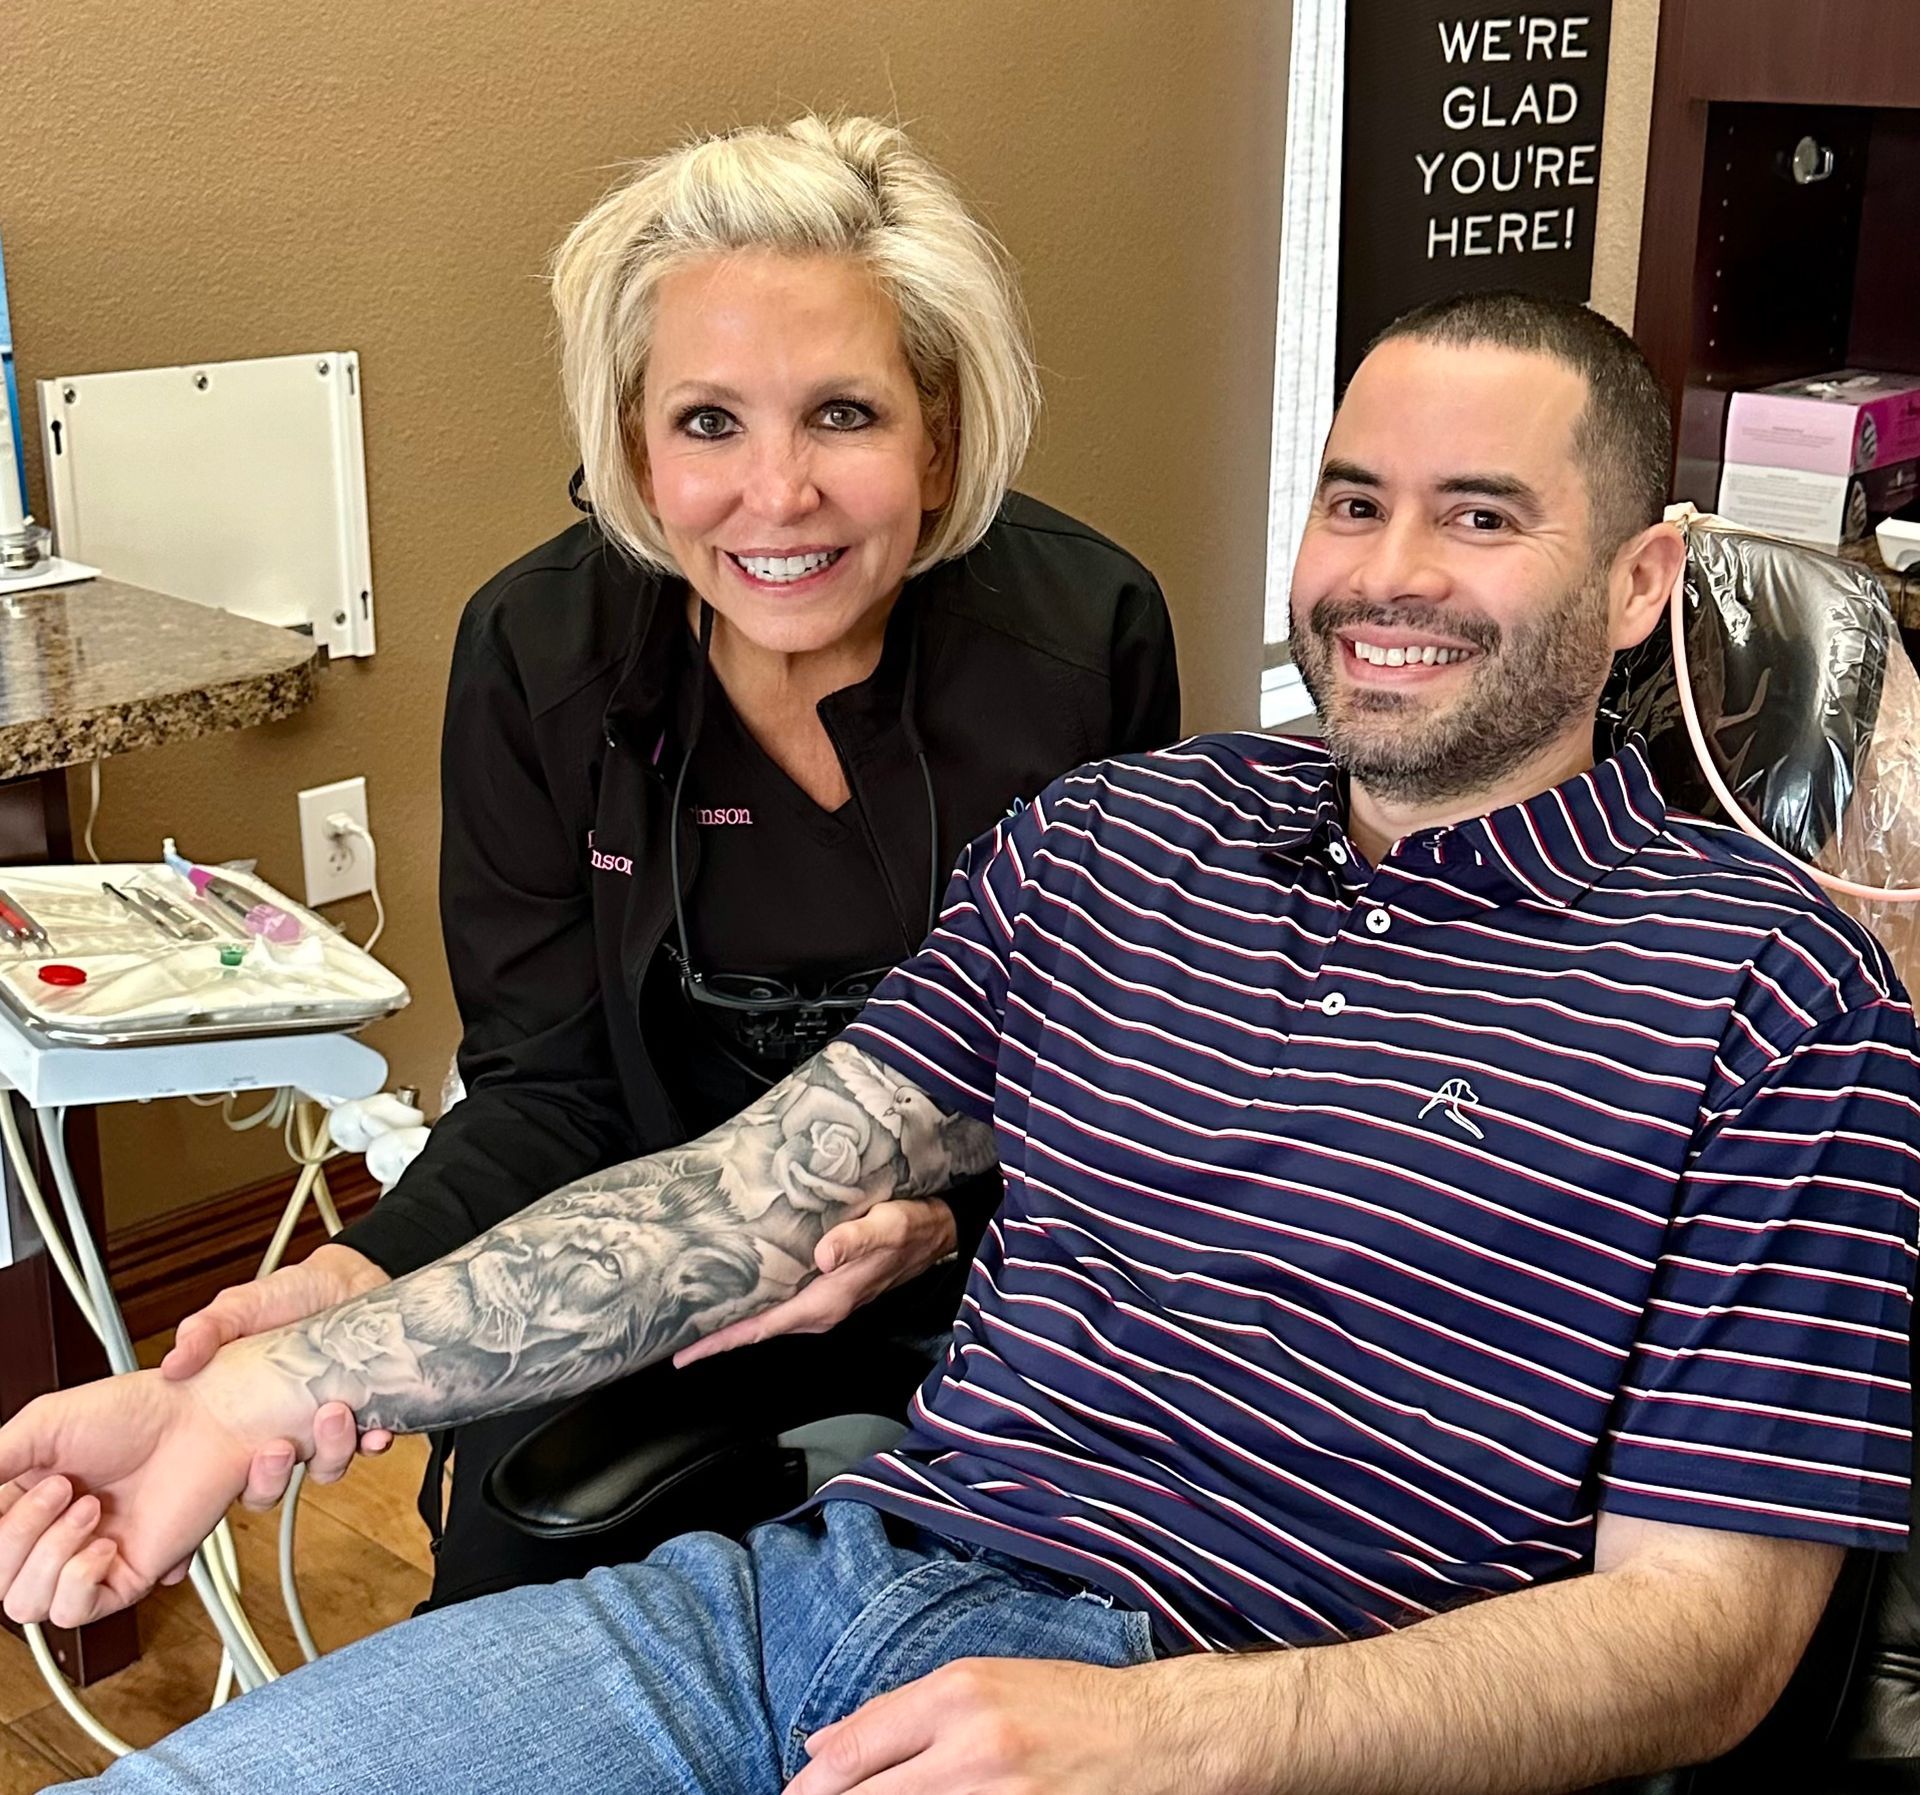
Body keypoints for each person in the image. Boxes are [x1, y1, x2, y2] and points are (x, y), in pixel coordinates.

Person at [3, 292, 1914, 1795]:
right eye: (1355, 502)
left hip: (1261, 1721)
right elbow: (742, 1200)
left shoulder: (1771, 995)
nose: (1387, 573)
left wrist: (1169, 1737)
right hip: (805, 1613)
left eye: (1480, 516)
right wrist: (246, 1398)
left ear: (1644, 577)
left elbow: (1706, 1641)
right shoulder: (1121, 839)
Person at [151, 113, 1180, 1609]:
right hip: (629, 1273)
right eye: (709, 423)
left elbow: (1120, 1072)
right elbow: (546, 1087)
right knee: (508, 1595)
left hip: (991, 1280)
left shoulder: (1080, 643)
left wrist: (944, 1228)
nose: (779, 494)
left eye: (844, 414)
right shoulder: (542, 654)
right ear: (632, 440)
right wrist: (356, 1281)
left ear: (940, 434)